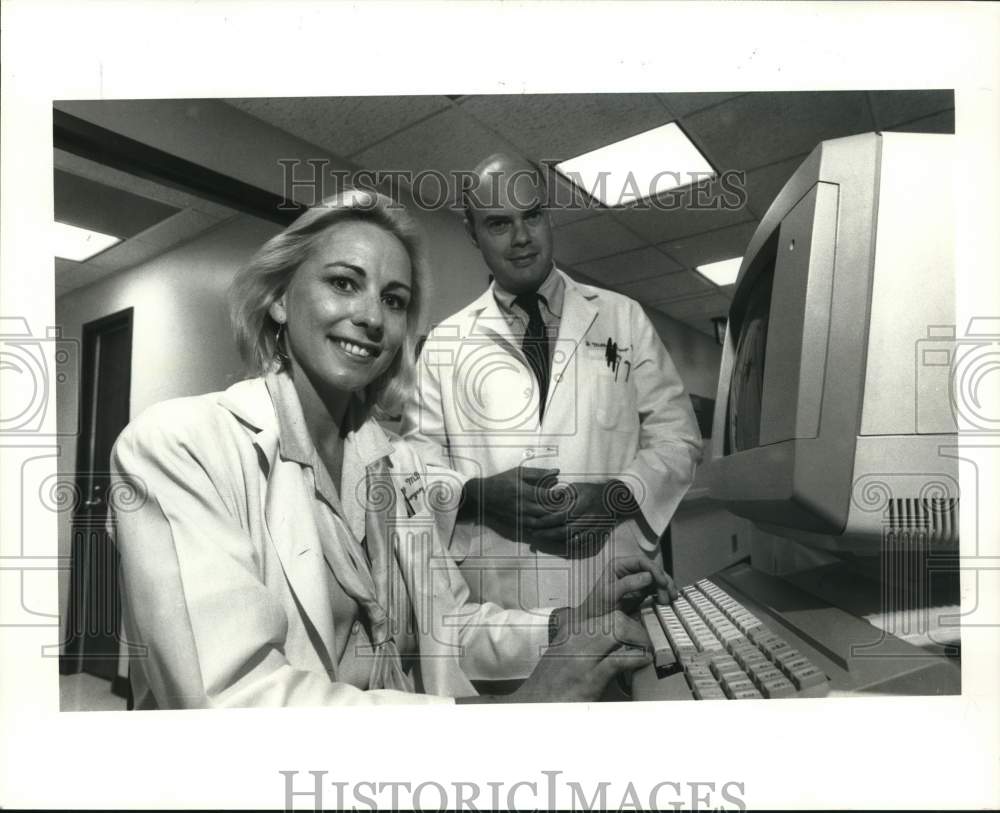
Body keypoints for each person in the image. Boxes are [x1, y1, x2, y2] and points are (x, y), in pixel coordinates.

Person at [108, 188, 675, 709]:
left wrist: (566, 625)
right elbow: (234, 702)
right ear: (279, 298)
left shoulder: (399, 468)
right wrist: (517, 714)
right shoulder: (179, 448)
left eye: (395, 299)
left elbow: (448, 627)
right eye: (343, 283)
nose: (372, 317)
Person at [401, 154, 702, 612]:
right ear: (471, 232)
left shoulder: (623, 318)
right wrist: (478, 495)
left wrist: (615, 496)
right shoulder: (445, 342)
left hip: (613, 581)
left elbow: (677, 439)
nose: (522, 238)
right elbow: (414, 463)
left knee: (631, 682)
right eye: (499, 224)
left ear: (549, 214)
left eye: (533, 216)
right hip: (498, 603)